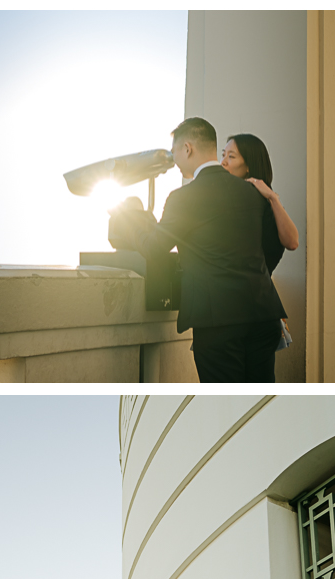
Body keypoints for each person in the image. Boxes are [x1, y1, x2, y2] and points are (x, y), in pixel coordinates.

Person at [107, 117, 286, 384]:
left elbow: (154, 248)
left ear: (188, 149)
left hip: (218, 323)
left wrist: (129, 218)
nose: (175, 160)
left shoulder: (184, 197)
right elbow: (273, 247)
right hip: (263, 317)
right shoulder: (252, 191)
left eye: (175, 152)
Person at [220, 133, 299, 275]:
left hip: (253, 292)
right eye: (223, 155)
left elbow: (292, 242)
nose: (223, 162)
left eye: (231, 157)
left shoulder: (262, 204)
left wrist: (272, 197)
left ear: (248, 165)